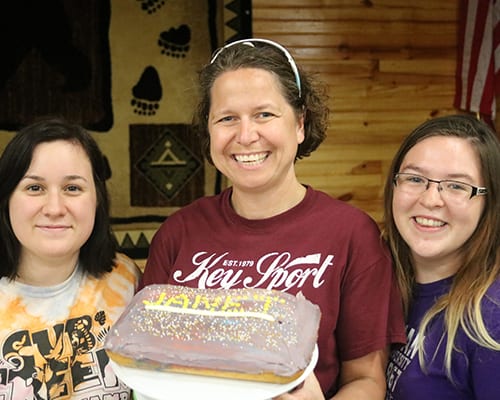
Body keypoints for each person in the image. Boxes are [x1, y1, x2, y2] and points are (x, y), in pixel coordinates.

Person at [140, 38, 406, 399]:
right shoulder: (178, 233)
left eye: (264, 114)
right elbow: (148, 365)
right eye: (227, 118)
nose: (246, 136)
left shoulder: (352, 234)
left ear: (299, 123)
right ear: (209, 130)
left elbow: (366, 380)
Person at [0, 118, 142, 399]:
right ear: (6, 199)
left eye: (72, 188)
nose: (54, 208)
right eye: (34, 188)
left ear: (97, 199)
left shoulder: (126, 279)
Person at [383, 114, 500, 399]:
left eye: (457, 186)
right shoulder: (381, 276)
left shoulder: (492, 319)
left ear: (490, 202)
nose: (430, 199)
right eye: (414, 178)